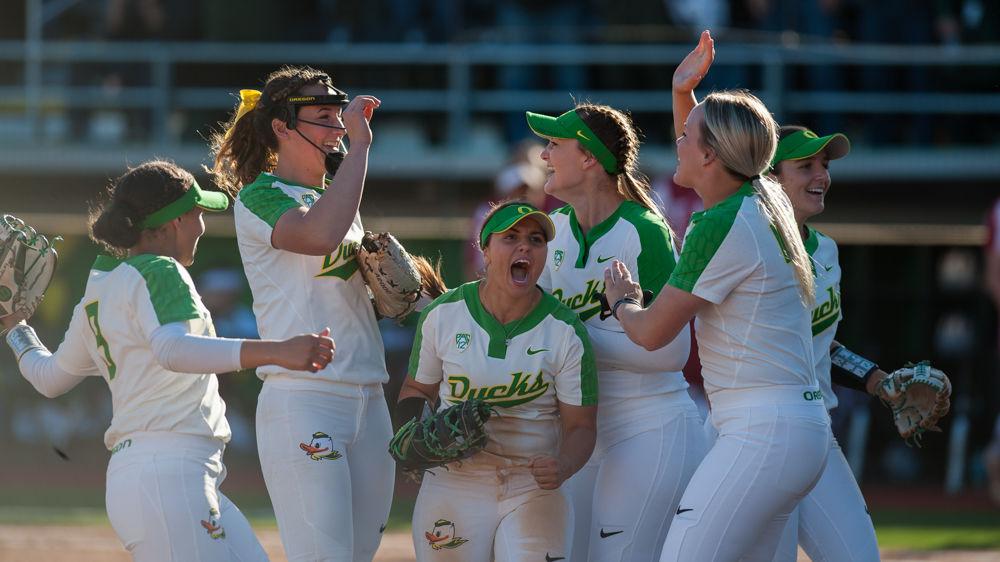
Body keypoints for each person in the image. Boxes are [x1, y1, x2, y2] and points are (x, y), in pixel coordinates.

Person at [0, 160, 335, 561]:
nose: (201, 226)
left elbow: (48, 378)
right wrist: (277, 350)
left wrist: (15, 327)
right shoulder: (160, 270)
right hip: (169, 475)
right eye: (197, 214)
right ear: (174, 221)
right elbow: (173, 350)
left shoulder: (100, 289)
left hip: (162, 476)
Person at [603, 31, 831, 561]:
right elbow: (714, 147)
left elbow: (653, 334)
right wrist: (683, 91)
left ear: (710, 155)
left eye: (686, 136)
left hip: (763, 431)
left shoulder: (723, 222)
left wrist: (621, 299)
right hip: (785, 426)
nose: (676, 141)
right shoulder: (763, 194)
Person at [209, 66, 392, 561]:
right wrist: (360, 149)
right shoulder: (260, 195)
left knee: (357, 555)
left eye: (338, 113)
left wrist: (396, 294)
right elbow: (316, 236)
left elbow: (334, 283)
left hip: (369, 393)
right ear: (281, 127)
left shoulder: (335, 198)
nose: (338, 124)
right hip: (305, 397)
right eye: (324, 115)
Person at [524, 103, 707, 562]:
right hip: (581, 430)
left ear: (588, 158)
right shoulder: (555, 230)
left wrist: (569, 343)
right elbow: (533, 327)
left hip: (650, 425)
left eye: (554, 145)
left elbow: (671, 353)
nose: (544, 155)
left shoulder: (643, 230)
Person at [397, 201, 598, 562]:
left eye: (536, 239)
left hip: (533, 485)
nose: (525, 246)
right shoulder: (443, 315)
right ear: (486, 250)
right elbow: (417, 389)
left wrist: (564, 465)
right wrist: (413, 432)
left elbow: (582, 425)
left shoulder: (566, 331)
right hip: (455, 479)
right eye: (511, 237)